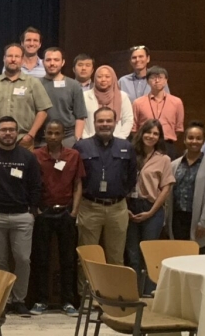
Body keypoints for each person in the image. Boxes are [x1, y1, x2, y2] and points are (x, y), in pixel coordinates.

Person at [0, 116, 41, 317]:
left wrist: (32, 211)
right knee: (0, 261)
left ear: (17, 133)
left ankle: (19, 300)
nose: (8, 133)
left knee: (23, 259)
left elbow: (35, 185)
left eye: (12, 130)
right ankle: (2, 300)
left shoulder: (28, 156)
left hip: (22, 216)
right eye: (4, 129)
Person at [29, 120, 82, 317]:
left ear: (62, 135)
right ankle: (41, 300)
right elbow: (31, 184)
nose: (53, 136)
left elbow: (78, 184)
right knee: (41, 258)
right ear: (44, 134)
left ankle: (68, 301)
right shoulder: (36, 155)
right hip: (44, 213)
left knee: (68, 259)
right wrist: (37, 210)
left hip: (66, 213)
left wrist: (74, 212)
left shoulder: (73, 155)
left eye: (57, 133)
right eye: (49, 133)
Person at [74, 107, 137, 264]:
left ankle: (114, 290)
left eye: (109, 120)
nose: (105, 124)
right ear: (94, 123)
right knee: (87, 258)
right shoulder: (81, 147)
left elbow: (131, 177)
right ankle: (87, 290)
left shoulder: (126, 146)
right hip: (89, 207)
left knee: (116, 257)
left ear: (115, 123)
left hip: (117, 209)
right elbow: (75, 179)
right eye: (100, 121)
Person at [126, 120, 173, 296]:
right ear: (141, 133)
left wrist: (151, 212)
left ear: (159, 137)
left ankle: (148, 296)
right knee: (133, 256)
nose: (151, 136)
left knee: (148, 255)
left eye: (155, 134)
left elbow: (166, 188)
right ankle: (133, 295)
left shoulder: (164, 159)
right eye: (148, 132)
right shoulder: (130, 154)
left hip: (152, 208)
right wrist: (125, 208)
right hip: (130, 206)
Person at [0, 43, 51, 149]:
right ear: (4, 58)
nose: (13, 59)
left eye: (17, 56)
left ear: (22, 60)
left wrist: (31, 135)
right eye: (10, 56)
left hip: (23, 141)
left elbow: (43, 111)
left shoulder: (33, 83)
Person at [170, 122, 205, 252]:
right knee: (179, 255)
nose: (194, 141)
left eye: (198, 138)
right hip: (177, 218)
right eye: (190, 138)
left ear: (203, 141)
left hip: (197, 218)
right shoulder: (174, 164)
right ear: (184, 140)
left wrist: (204, 222)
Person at [131, 67, 184, 156]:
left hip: (167, 145)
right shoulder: (138, 103)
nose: (157, 80)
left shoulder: (177, 102)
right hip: (144, 145)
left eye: (160, 77)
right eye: (153, 78)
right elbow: (134, 128)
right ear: (147, 81)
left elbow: (178, 128)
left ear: (166, 80)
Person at [40, 49, 87, 144]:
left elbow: (80, 116)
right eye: (48, 60)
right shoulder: (35, 84)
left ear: (63, 62)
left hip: (68, 139)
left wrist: (77, 139)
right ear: (43, 62)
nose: (52, 63)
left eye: (56, 60)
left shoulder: (73, 85)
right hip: (41, 139)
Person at [82, 66, 134, 140]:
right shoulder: (85, 96)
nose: (103, 80)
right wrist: (86, 138)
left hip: (117, 140)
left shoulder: (122, 96)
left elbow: (128, 119)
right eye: (99, 77)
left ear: (113, 78)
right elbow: (80, 120)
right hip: (91, 140)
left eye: (107, 76)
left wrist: (121, 137)